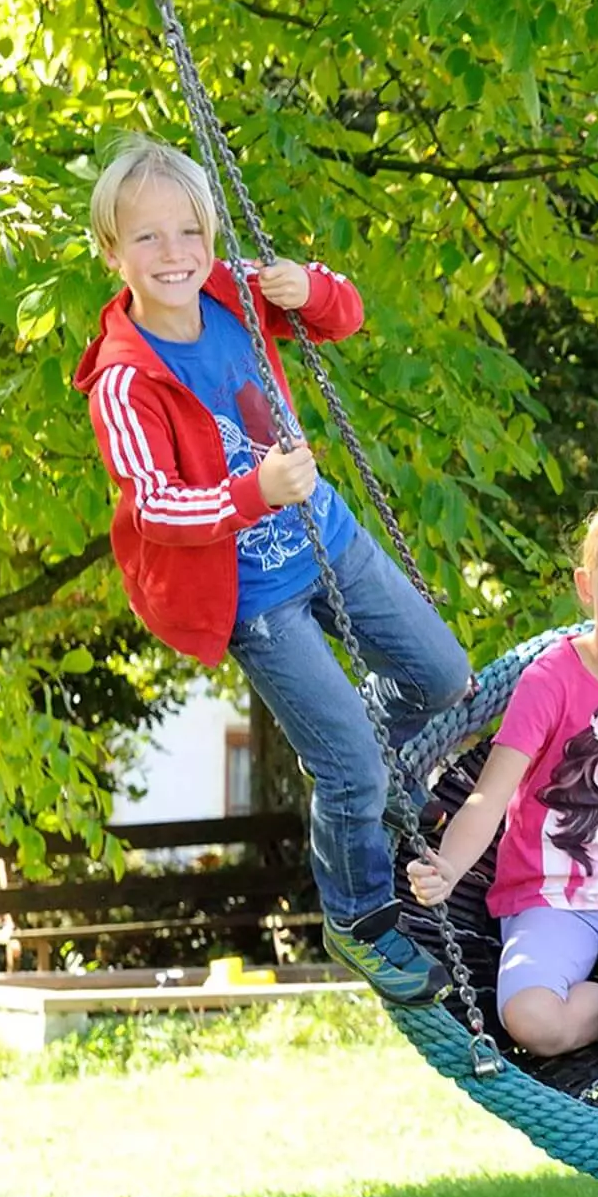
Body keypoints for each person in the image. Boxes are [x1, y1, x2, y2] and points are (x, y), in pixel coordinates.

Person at [77, 135, 472, 1005]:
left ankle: (369, 757)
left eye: (189, 232)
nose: (174, 254)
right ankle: (361, 918)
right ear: (113, 253)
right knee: (349, 774)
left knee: (445, 680)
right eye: (147, 239)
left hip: (327, 536)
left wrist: (312, 285)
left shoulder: (231, 289)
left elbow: (342, 314)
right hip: (251, 595)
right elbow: (151, 508)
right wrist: (252, 491)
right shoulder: (123, 380)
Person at [405, 494, 598, 1077]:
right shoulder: (550, 680)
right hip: (550, 895)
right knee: (533, 1021)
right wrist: (447, 867)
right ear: (585, 586)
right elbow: (491, 794)